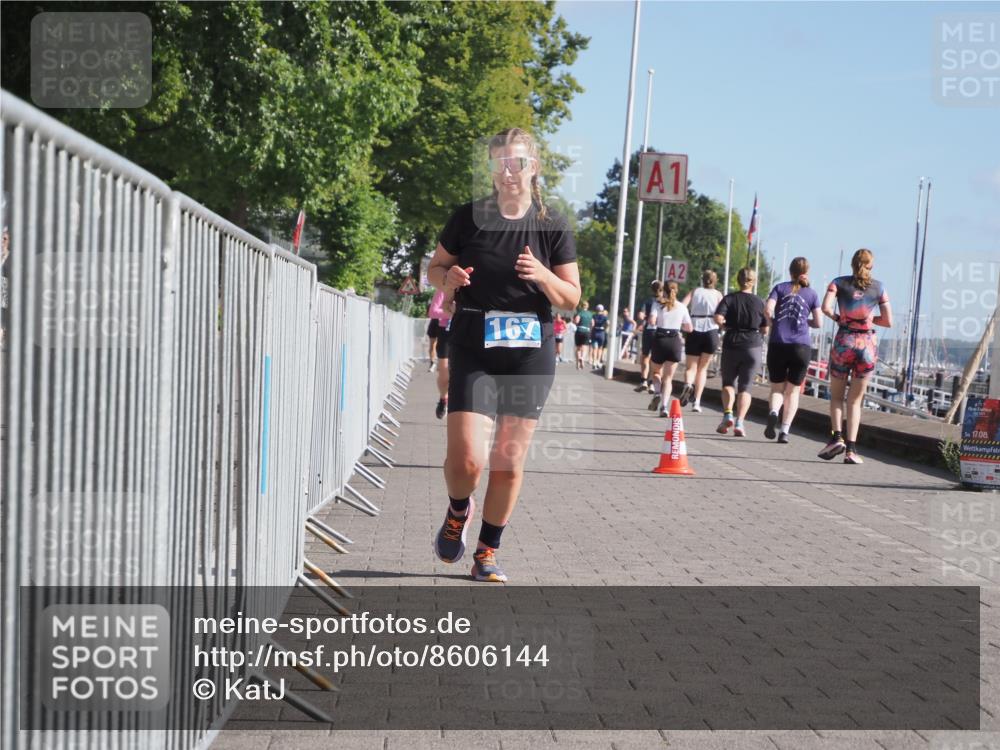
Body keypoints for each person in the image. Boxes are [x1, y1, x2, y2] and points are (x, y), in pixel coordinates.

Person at [426, 127, 580, 582]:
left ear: (533, 168)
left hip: (530, 350)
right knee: (466, 462)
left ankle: (487, 552)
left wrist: (542, 276)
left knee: (508, 463)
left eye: (517, 162)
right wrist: (447, 279)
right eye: (500, 163)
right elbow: (434, 269)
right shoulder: (468, 218)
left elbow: (571, 297)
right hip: (473, 341)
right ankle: (458, 510)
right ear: (491, 169)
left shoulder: (552, 226)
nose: (508, 172)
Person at [818, 248, 892, 464]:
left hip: (844, 343)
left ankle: (836, 438)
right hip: (866, 346)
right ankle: (851, 450)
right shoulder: (879, 287)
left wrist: (841, 318)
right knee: (855, 401)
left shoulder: (838, 282)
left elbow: (825, 307)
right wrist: (867, 320)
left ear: (852, 264)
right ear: (871, 265)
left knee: (837, 397)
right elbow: (888, 321)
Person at [764, 257, 821, 443]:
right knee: (793, 392)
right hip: (801, 347)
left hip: (778, 343)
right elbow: (819, 323)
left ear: (790, 271)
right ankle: (785, 431)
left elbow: (767, 309)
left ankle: (774, 412)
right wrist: (807, 322)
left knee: (777, 389)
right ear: (807, 271)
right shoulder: (811, 294)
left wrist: (773, 322)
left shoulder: (779, 288)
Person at [714, 268, 768, 436]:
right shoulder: (760, 302)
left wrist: (724, 326)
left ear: (738, 280)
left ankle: (728, 413)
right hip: (752, 346)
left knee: (728, 383)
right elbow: (765, 328)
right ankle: (740, 422)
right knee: (745, 388)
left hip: (732, 343)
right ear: (754, 281)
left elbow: (718, 318)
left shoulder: (729, 298)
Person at [679, 270, 724, 412]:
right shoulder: (718, 295)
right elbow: (722, 313)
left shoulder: (695, 291)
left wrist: (685, 321)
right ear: (715, 280)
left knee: (691, 367)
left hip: (694, 329)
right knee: (702, 369)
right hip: (711, 330)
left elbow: (682, 306)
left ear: (702, 280)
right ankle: (697, 402)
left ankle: (688, 384)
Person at [646, 281, 693, 416]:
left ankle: (656, 392)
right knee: (668, 378)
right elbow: (689, 328)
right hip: (674, 341)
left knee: (655, 372)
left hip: (660, 339)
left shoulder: (657, 304)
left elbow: (652, 321)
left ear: (663, 290)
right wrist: (679, 324)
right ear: (676, 291)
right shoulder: (682, 307)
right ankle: (664, 407)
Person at [427, 288, 454, 419]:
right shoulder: (444, 288)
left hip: (466, 331)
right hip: (446, 332)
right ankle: (443, 399)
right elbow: (433, 311)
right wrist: (452, 313)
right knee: (444, 372)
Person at [634, 280, 663, 393]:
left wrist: (645, 317)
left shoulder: (648, 301)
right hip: (661, 331)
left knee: (645, 356)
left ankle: (643, 380)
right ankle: (652, 383)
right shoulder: (665, 302)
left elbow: (641, 315)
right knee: (656, 359)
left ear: (651, 289)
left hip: (649, 331)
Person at [573, 300, 592, 370]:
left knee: (578, 348)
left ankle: (577, 363)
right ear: (587, 306)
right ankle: (582, 358)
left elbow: (577, 321)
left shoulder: (580, 313)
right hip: (586, 331)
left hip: (579, 330)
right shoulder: (590, 314)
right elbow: (592, 323)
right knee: (585, 347)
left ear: (581, 306)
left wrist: (575, 322)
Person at [590, 303, 608, 369]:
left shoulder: (593, 316)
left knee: (594, 348)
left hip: (595, 331)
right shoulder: (604, 317)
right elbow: (608, 323)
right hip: (601, 332)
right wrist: (605, 328)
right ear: (602, 310)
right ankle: (598, 361)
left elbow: (592, 324)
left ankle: (594, 362)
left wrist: (591, 331)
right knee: (600, 348)